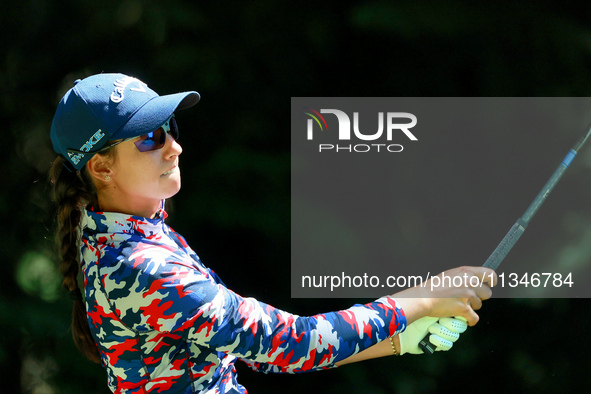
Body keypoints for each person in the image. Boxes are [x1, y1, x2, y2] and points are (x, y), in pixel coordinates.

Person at [48, 73, 496, 393]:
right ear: (101, 167)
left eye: (169, 129)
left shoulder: (121, 235)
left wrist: (397, 342)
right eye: (148, 139)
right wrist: (419, 300)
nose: (173, 147)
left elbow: (245, 350)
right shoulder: (143, 267)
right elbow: (291, 344)